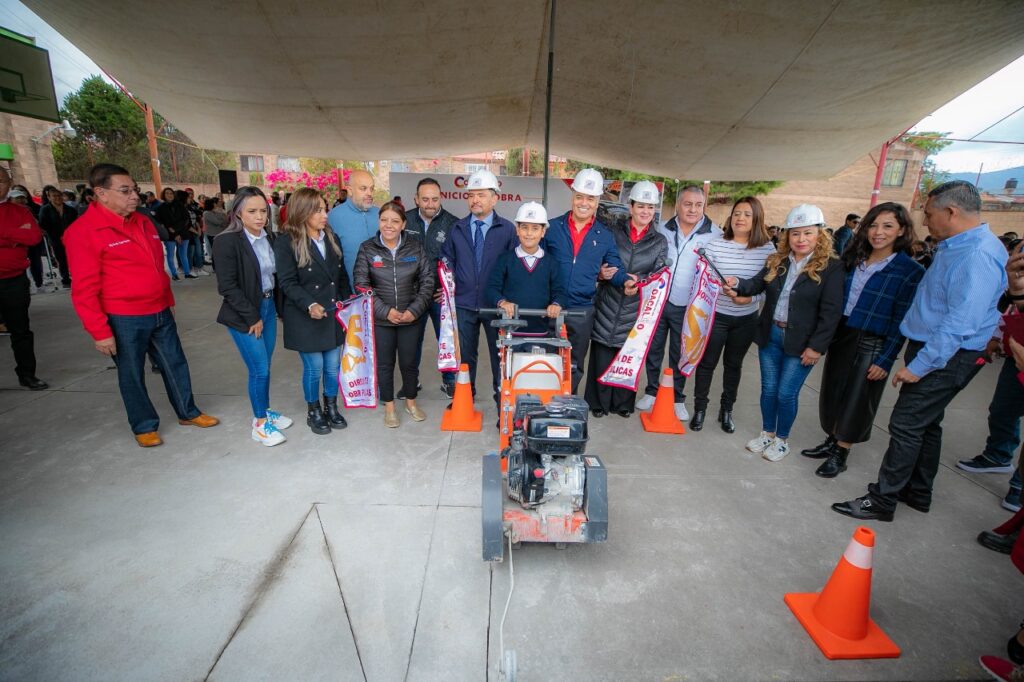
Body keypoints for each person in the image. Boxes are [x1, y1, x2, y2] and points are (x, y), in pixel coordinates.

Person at [832, 181, 1008, 521]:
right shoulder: (959, 245)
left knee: (907, 424)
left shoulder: (977, 255)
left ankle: (882, 500)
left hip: (945, 355)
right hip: (933, 347)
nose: (925, 222)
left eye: (928, 214)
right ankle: (918, 491)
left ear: (951, 212)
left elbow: (961, 322)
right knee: (927, 424)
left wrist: (920, 365)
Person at [64, 163, 218, 446]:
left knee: (176, 364)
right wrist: (99, 331)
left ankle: (187, 411)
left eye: (134, 189)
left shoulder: (143, 221)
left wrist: (168, 300)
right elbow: (84, 289)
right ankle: (144, 425)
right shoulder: (83, 231)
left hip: (159, 310)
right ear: (100, 193)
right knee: (132, 373)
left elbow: (157, 267)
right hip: (123, 317)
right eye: (125, 191)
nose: (134, 196)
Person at [801, 202, 924, 477]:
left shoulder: (909, 271)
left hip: (873, 341)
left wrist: (886, 358)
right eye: (873, 225)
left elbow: (901, 321)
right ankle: (831, 440)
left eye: (888, 226)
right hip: (843, 334)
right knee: (833, 393)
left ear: (902, 230)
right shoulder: (852, 260)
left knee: (858, 399)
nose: (878, 232)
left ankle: (841, 452)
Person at [724, 203, 844, 462]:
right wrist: (738, 284)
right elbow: (756, 283)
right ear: (788, 235)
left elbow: (831, 312)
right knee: (768, 389)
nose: (801, 239)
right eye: (796, 233)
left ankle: (782, 440)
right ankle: (767, 433)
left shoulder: (831, 267)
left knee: (785, 393)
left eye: (808, 233)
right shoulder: (777, 260)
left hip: (802, 342)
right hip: (771, 335)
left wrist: (817, 347)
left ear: (819, 234)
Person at [213, 186, 292, 447]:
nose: (259, 216)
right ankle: (259, 424)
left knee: (265, 366)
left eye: (263, 211)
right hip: (244, 314)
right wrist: (251, 316)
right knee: (258, 368)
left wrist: (278, 310)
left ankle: (265, 410)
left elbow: (273, 278)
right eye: (252, 211)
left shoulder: (268, 238)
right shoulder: (226, 241)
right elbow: (227, 286)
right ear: (237, 213)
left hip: (268, 308)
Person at [690, 196, 776, 432]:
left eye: (747, 214)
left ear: (757, 218)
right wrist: (719, 290)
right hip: (716, 316)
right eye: (737, 213)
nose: (741, 218)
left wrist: (750, 298)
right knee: (707, 364)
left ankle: (726, 410)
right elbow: (703, 282)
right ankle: (700, 409)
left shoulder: (768, 250)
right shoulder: (716, 245)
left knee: (733, 366)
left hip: (746, 319)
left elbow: (769, 287)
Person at [637, 184, 722, 420]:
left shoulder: (714, 234)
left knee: (680, 351)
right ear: (677, 204)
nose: (693, 209)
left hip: (689, 304)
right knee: (653, 348)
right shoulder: (661, 228)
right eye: (688, 203)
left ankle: (676, 396)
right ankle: (652, 391)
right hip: (659, 299)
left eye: (698, 204)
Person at [585, 182, 667, 418]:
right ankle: (598, 403)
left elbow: (659, 272)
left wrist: (638, 280)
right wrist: (601, 274)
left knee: (627, 355)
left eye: (650, 207)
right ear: (630, 207)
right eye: (641, 206)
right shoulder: (611, 231)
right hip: (608, 300)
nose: (645, 212)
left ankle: (622, 404)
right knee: (602, 352)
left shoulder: (659, 241)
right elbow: (599, 259)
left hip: (636, 305)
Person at [274, 187, 352, 435]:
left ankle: (331, 406)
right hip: (304, 315)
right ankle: (313, 410)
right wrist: (309, 304)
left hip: (331, 312)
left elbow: (340, 277)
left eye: (324, 208)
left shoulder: (331, 237)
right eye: (318, 210)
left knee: (332, 366)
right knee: (314, 366)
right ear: (303, 211)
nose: (324, 214)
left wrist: (347, 302)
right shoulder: (286, 242)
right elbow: (287, 282)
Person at [544, 168, 629, 393]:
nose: (584, 203)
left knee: (573, 363)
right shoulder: (551, 228)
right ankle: (543, 401)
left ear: (597, 200)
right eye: (580, 196)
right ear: (572, 196)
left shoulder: (604, 235)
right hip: (549, 306)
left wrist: (625, 281)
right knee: (544, 360)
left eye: (590, 198)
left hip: (582, 311)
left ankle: (567, 402)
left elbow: (615, 268)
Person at [956, 240, 1024, 512]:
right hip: (1017, 356)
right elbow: (1011, 307)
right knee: (1002, 410)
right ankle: (998, 454)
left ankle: (1019, 486)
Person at [439, 169, 517, 403]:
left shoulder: (507, 230)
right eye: (471, 195)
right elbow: (446, 257)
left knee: (499, 355)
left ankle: (500, 399)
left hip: (495, 305)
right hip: (463, 303)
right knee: (465, 356)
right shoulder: (458, 228)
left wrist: (507, 298)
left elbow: (514, 266)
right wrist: (448, 277)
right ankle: (465, 397)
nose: (475, 200)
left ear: (495, 198)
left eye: (481, 195)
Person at [353, 201, 433, 427]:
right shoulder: (367, 249)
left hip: (410, 318)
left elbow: (428, 281)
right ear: (379, 222)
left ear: (403, 224)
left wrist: (413, 311)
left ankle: (411, 403)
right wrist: (385, 311)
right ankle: (389, 406)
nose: (389, 225)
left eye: (395, 221)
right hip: (381, 320)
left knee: (409, 363)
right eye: (384, 220)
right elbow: (360, 284)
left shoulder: (415, 248)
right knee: (385, 364)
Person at [404, 177, 459, 398]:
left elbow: (460, 260)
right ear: (416, 199)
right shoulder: (404, 220)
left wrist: (449, 288)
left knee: (445, 339)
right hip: (411, 295)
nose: (430, 204)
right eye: (425, 199)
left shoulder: (454, 224)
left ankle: (449, 381)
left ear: (441, 198)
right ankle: (411, 382)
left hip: (439, 296)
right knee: (411, 342)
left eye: (434, 199)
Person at [0, 168, 48, 390]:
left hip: (14, 281)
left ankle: (27, 374)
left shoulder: (20, 211)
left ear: (9, 183)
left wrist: (5, 235)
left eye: (1, 180)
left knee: (21, 330)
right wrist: (13, 237)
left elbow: (33, 236)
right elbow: (22, 236)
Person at [486, 201, 566, 332]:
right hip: (510, 331)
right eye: (524, 227)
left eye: (535, 228)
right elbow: (491, 289)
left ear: (543, 232)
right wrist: (502, 302)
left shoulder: (552, 263)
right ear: (517, 230)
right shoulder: (505, 259)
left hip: (542, 331)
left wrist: (556, 305)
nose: (529, 233)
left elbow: (560, 292)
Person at [328, 169, 379, 283]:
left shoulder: (380, 214)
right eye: (363, 188)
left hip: (382, 290)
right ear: (350, 190)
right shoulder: (333, 217)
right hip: (349, 291)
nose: (369, 193)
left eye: (371, 188)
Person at [38, 185, 77, 288]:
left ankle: (77, 276)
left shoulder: (70, 209)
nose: (57, 198)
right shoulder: (45, 210)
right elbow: (43, 224)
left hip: (71, 237)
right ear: (49, 197)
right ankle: (65, 279)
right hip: (55, 238)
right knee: (61, 258)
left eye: (59, 195)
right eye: (54, 196)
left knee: (74, 257)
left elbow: (76, 223)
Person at [156, 188, 195, 280]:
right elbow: (162, 223)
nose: (170, 195)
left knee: (183, 254)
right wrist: (174, 233)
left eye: (171, 193)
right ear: (163, 195)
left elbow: (186, 220)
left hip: (183, 233)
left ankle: (187, 273)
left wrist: (177, 231)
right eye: (167, 193)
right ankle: (174, 275)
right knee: (170, 255)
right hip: (169, 235)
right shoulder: (160, 208)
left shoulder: (180, 206)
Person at [203, 197, 228, 261]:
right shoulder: (206, 213)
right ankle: (215, 267)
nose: (215, 204)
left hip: (219, 233)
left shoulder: (215, 212)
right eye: (214, 203)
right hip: (213, 235)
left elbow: (225, 218)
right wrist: (223, 220)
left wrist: (223, 217)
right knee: (216, 252)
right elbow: (217, 222)